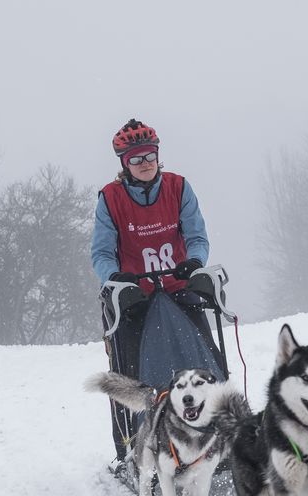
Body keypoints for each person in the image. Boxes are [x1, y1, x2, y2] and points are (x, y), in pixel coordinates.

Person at [91, 118, 220, 475]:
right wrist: (115, 277)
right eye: (135, 159)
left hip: (177, 289)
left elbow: (197, 235)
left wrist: (194, 263)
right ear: (124, 164)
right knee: (129, 376)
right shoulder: (111, 199)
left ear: (158, 156)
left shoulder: (179, 188)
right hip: (134, 297)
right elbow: (101, 253)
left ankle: (221, 436)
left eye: (149, 156)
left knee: (207, 358)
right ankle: (130, 450)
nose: (144, 163)